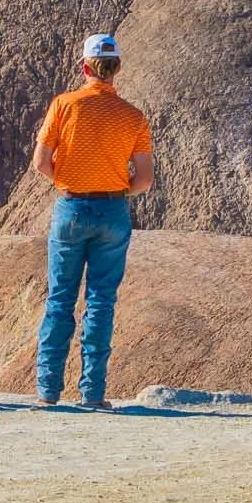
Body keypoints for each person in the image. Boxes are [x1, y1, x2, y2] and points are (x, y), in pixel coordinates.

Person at [30, 34, 154, 409]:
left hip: (71, 207)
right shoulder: (134, 116)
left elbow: (40, 162)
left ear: (85, 67)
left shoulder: (64, 105)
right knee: (101, 301)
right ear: (117, 69)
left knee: (60, 299)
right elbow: (144, 179)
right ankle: (92, 393)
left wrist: (69, 181)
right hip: (113, 211)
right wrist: (119, 191)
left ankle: (48, 391)